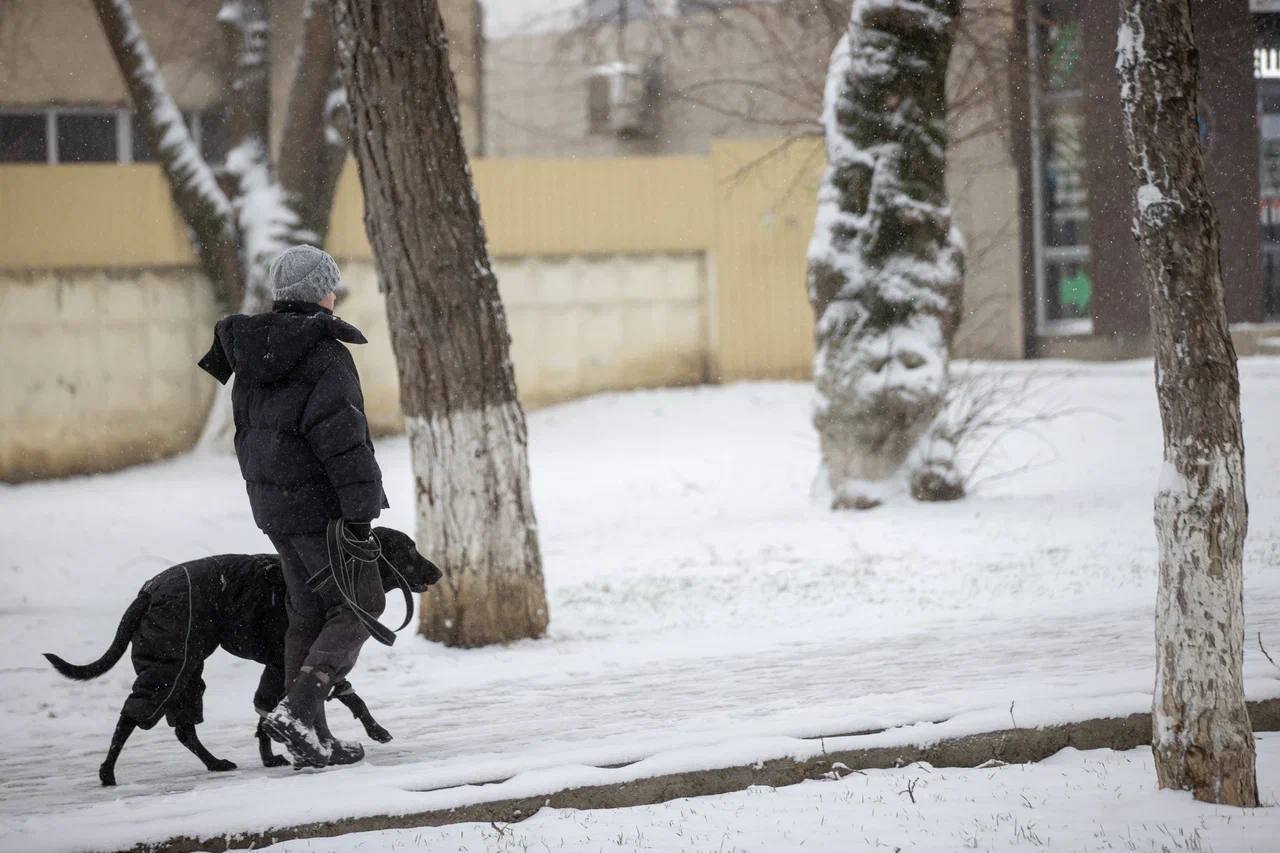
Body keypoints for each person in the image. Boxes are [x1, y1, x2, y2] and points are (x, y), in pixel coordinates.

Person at [198, 245, 388, 768]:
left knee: (305, 612)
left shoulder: (250, 351)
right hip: (321, 510)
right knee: (362, 603)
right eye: (332, 285)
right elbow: (342, 440)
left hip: (275, 509)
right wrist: (359, 513)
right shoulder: (324, 352)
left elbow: (251, 437)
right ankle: (301, 710)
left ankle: (307, 734)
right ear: (322, 292)